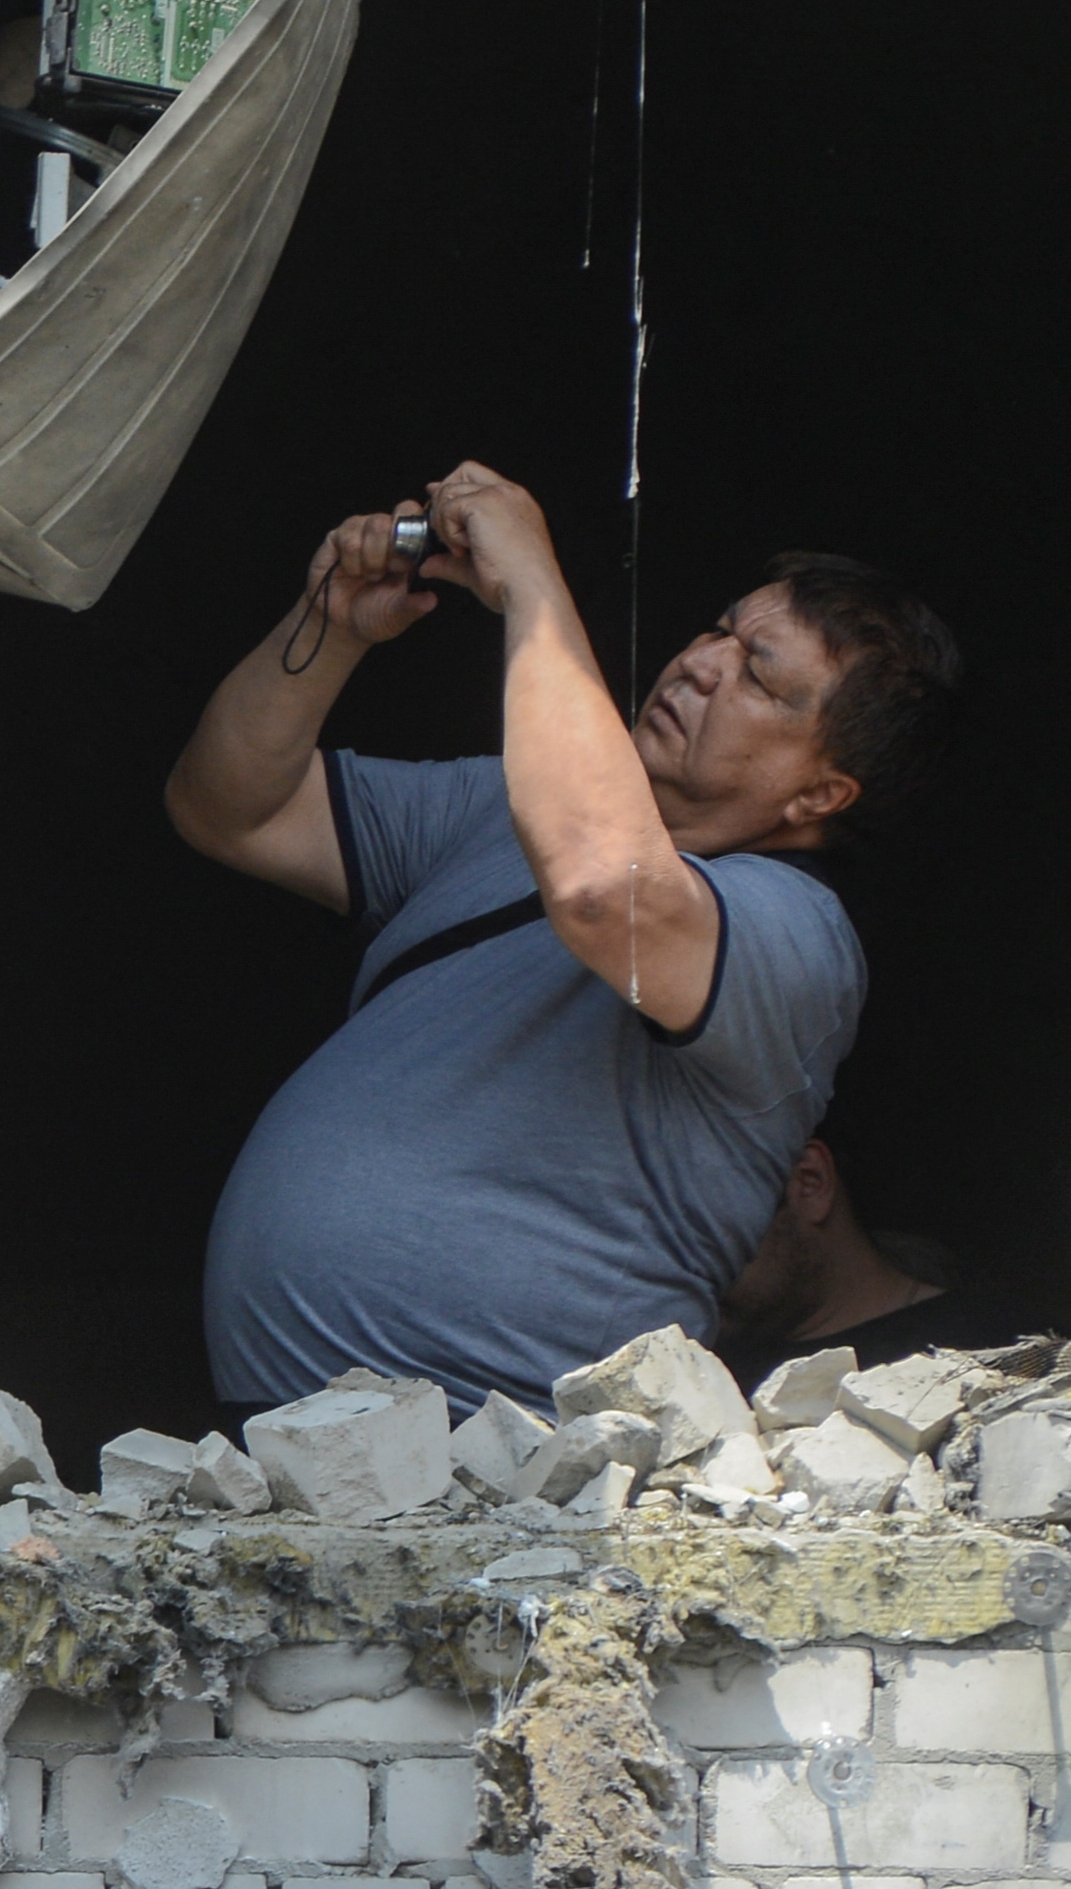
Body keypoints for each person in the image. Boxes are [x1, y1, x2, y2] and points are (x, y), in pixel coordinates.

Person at [166, 466, 959, 1414]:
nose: (702, 663)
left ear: (818, 795)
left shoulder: (797, 930)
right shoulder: (500, 810)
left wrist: (530, 585)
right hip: (301, 1454)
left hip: (511, 1470)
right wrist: (331, 624)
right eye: (720, 630)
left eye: (759, 675)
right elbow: (224, 809)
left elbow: (596, 889)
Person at [718, 1128, 1048, 1383]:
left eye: (700, 1220)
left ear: (811, 1182)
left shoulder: (1002, 1351)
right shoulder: (709, 1382)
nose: (680, 1257)